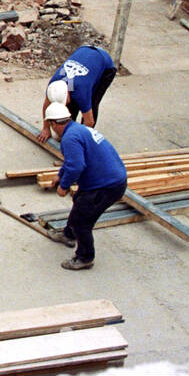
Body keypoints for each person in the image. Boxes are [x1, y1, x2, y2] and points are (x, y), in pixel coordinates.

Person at [45, 102, 128, 271]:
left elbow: (76, 166)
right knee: (80, 203)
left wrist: (63, 186)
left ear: (54, 123)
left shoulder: (69, 138)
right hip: (110, 178)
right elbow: (72, 161)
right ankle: (68, 235)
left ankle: (85, 257)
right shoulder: (78, 129)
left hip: (106, 186)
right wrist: (60, 176)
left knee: (82, 222)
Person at [37, 44, 116, 142]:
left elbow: (89, 121)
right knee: (71, 106)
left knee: (91, 103)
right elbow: (46, 106)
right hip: (84, 51)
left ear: (68, 93)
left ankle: (82, 138)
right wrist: (46, 128)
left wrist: (76, 141)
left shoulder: (81, 92)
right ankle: (67, 131)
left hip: (105, 64)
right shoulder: (53, 85)